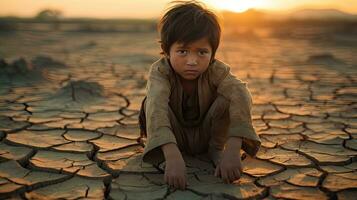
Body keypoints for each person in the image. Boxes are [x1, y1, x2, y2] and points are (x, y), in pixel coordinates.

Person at [138, 0, 261, 190]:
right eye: (182, 51)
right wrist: (171, 154)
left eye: (202, 52)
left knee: (232, 94)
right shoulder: (160, 71)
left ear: (213, 54)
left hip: (208, 137)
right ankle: (168, 153)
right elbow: (157, 106)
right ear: (167, 51)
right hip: (174, 137)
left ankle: (216, 150)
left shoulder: (216, 70)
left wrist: (234, 147)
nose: (192, 61)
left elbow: (240, 93)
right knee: (150, 104)